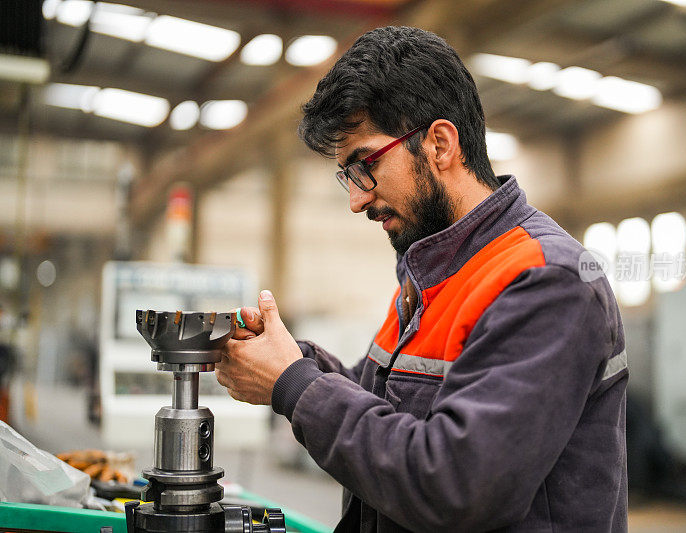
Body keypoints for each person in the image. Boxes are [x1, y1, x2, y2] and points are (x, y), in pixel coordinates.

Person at [215, 26, 628, 532]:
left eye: (364, 164)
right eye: (347, 175)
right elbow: (385, 413)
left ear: (439, 144)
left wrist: (293, 385)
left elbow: (457, 484)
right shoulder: (429, 273)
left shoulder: (548, 281)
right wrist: (293, 359)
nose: (357, 199)